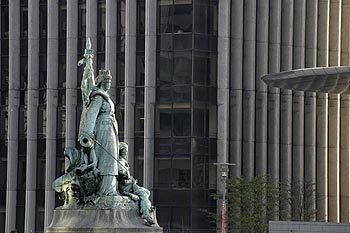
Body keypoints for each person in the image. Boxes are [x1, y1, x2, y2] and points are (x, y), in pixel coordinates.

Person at [79, 69, 119, 196]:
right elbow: (91, 114)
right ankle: (106, 190)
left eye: (110, 82)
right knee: (107, 159)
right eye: (106, 81)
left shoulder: (105, 97)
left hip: (110, 129)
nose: (109, 84)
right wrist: (87, 133)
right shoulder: (98, 96)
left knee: (113, 158)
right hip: (103, 129)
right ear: (101, 82)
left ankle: (111, 188)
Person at [118, 142, 155, 225]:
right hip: (126, 186)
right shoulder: (118, 162)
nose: (126, 153)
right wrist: (126, 173)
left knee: (147, 192)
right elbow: (123, 174)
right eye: (124, 152)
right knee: (143, 194)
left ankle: (146, 207)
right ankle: (146, 214)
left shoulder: (123, 161)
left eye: (126, 152)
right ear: (120, 151)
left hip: (131, 184)